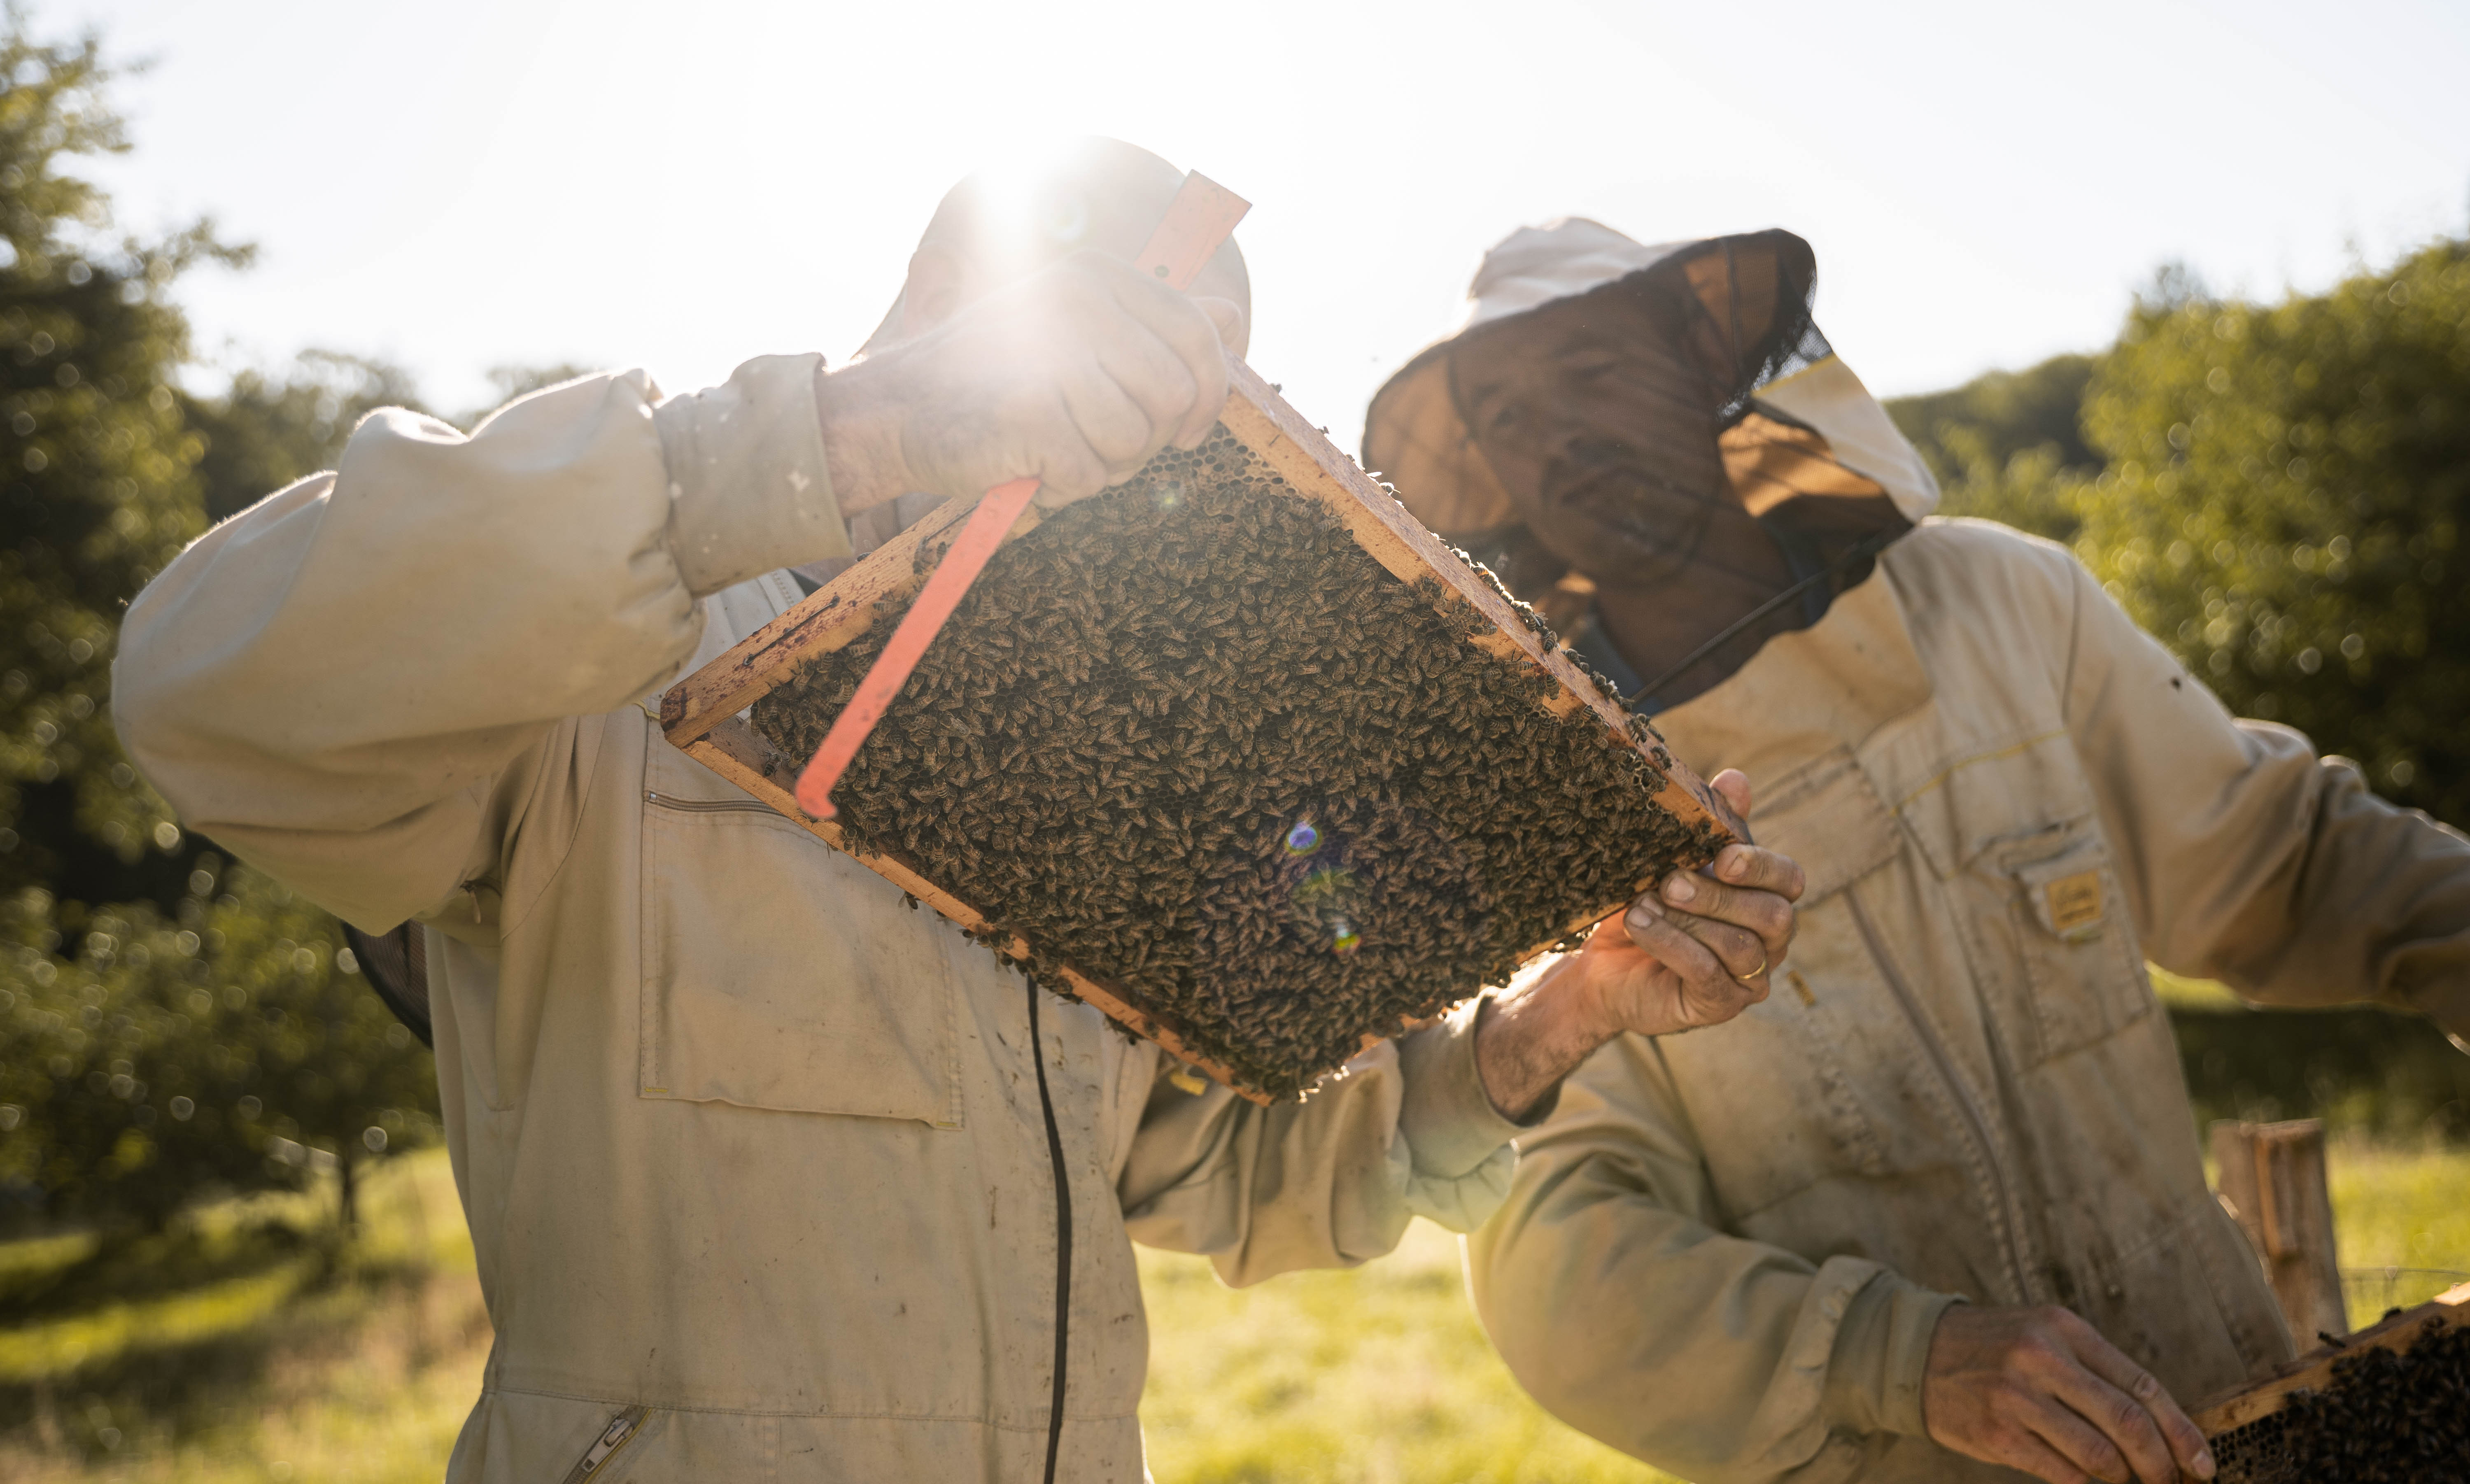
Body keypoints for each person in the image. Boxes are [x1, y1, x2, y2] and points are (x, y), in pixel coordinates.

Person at [111, 142, 1803, 1484]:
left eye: (1193, 406)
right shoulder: (600, 663)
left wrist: (1562, 1012)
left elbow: (1224, 1163)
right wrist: (857, 430)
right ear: (939, 297)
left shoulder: (1116, 759)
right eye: (1116, 367)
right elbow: (211, 690)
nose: (1144, 439)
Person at [1364, 218, 2470, 1484]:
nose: (1552, 432)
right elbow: (1560, 1254)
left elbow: (2293, 859)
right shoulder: (1544, 825)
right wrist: (1899, 1356)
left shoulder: (2003, 608)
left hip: (2221, 1406)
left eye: (1591, 370)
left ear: (1702, 358)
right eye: (1503, 412)